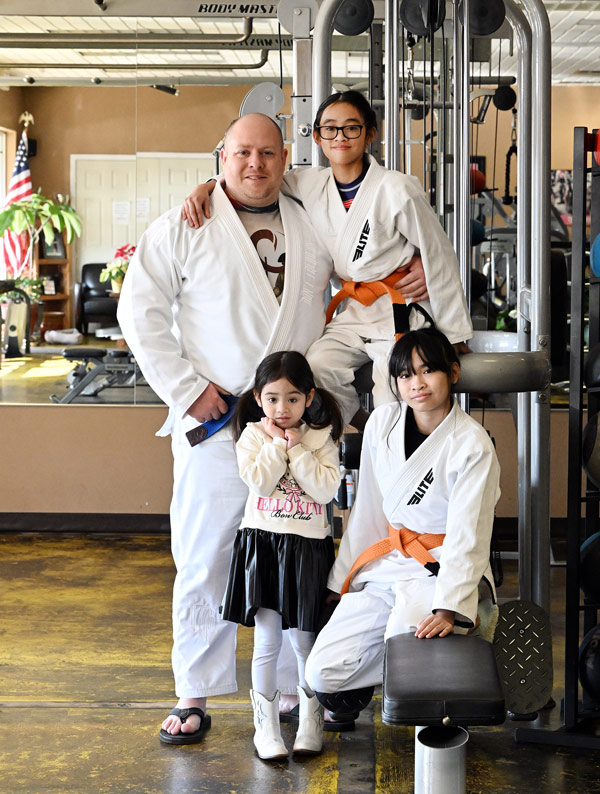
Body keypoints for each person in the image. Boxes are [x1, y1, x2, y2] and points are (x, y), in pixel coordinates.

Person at [117, 113, 334, 744]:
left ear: (286, 156)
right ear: (221, 155)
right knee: (205, 555)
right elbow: (140, 310)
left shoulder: (311, 218)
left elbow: (361, 270)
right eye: (242, 153)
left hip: (293, 426)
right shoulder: (188, 223)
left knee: (297, 552)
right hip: (218, 423)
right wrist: (189, 389)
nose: (255, 165)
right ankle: (195, 691)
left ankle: (295, 688)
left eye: (268, 153)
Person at [183, 91, 471, 428]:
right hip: (353, 311)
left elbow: (439, 255)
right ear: (318, 136)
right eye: (330, 129)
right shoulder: (309, 184)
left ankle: (396, 456)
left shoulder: (398, 189)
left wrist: (455, 334)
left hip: (400, 309)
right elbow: (254, 178)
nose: (340, 137)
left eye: (351, 128)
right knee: (315, 370)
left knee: (391, 384)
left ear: (370, 133)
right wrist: (209, 185)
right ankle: (361, 432)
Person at [303, 327, 500, 721]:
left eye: (428, 371)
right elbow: (370, 508)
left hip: (440, 569)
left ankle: (463, 640)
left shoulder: (472, 444)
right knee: (321, 672)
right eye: (406, 375)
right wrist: (345, 578)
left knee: (409, 648)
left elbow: (469, 535)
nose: (417, 384)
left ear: (454, 373)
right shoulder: (382, 423)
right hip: (390, 564)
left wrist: (449, 608)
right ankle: (418, 666)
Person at [223, 350, 343, 759]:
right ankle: (266, 729)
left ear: (308, 398)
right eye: (273, 398)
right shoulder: (253, 437)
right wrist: (278, 446)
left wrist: (299, 451)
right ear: (259, 398)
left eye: (292, 398)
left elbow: (325, 491)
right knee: (267, 643)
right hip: (264, 545)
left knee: (306, 642)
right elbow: (258, 482)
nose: (282, 407)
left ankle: (311, 722)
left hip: (308, 549)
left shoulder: (321, 437)